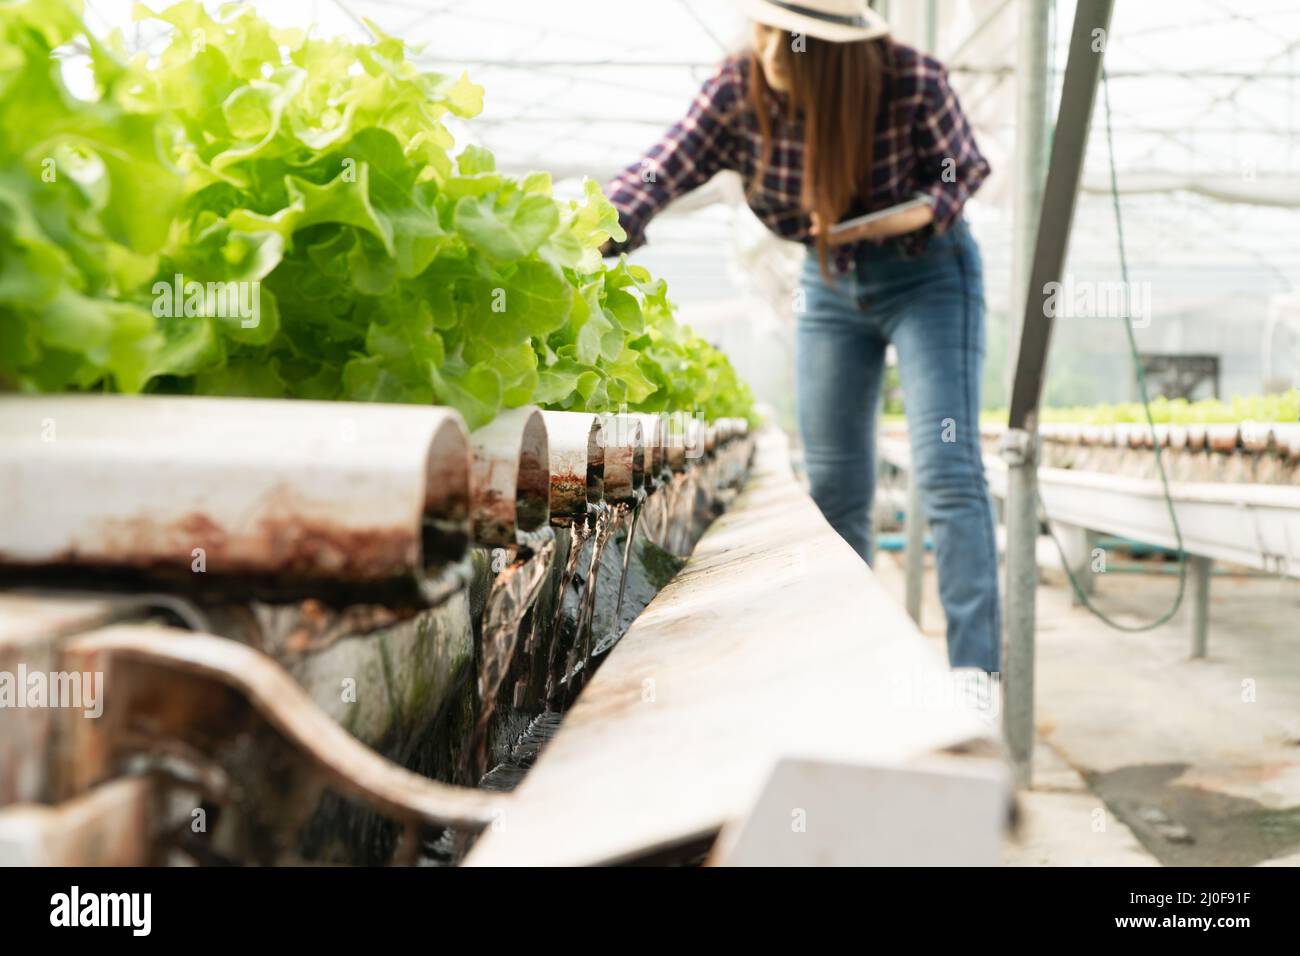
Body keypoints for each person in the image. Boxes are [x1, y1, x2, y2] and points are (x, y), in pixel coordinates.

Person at [602, 0, 1000, 673]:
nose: (774, 53)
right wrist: (590, 233)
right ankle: (845, 673)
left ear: (841, 52)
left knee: (947, 474)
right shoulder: (738, 90)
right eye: (768, 32)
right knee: (837, 487)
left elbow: (962, 170)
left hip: (927, 275)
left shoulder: (910, 80)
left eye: (796, 41)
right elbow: (657, 172)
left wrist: (899, 219)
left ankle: (976, 684)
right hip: (827, 283)